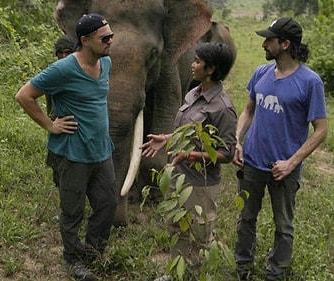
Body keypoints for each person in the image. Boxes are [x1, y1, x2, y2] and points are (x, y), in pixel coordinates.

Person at [15, 13, 117, 281]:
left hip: (101, 150)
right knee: (72, 210)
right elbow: (24, 95)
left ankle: (93, 252)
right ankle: (72, 259)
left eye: (111, 36)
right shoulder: (63, 69)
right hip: (73, 153)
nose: (110, 41)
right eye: (104, 38)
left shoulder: (106, 63)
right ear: (84, 40)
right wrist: (50, 125)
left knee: (108, 204)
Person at [232, 18, 327, 281]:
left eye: (269, 40)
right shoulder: (261, 73)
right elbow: (248, 109)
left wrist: (291, 163)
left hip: (283, 170)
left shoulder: (310, 82)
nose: (264, 43)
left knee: (283, 225)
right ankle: (242, 266)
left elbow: (321, 130)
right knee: (246, 217)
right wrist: (238, 139)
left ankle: (275, 272)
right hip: (252, 162)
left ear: (285, 44)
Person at [140, 42, 237, 280]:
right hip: (179, 175)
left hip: (201, 182)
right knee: (176, 226)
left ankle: (196, 275)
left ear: (211, 69)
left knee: (200, 233)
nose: (192, 65)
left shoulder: (223, 108)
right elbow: (190, 132)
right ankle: (176, 273)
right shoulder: (194, 93)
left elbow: (227, 154)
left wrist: (190, 155)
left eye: (197, 61)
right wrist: (166, 138)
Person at [46, 34, 77, 187]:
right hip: (60, 124)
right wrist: (51, 123)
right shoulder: (53, 73)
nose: (64, 56)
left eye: (68, 52)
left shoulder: (84, 71)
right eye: (60, 53)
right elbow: (49, 103)